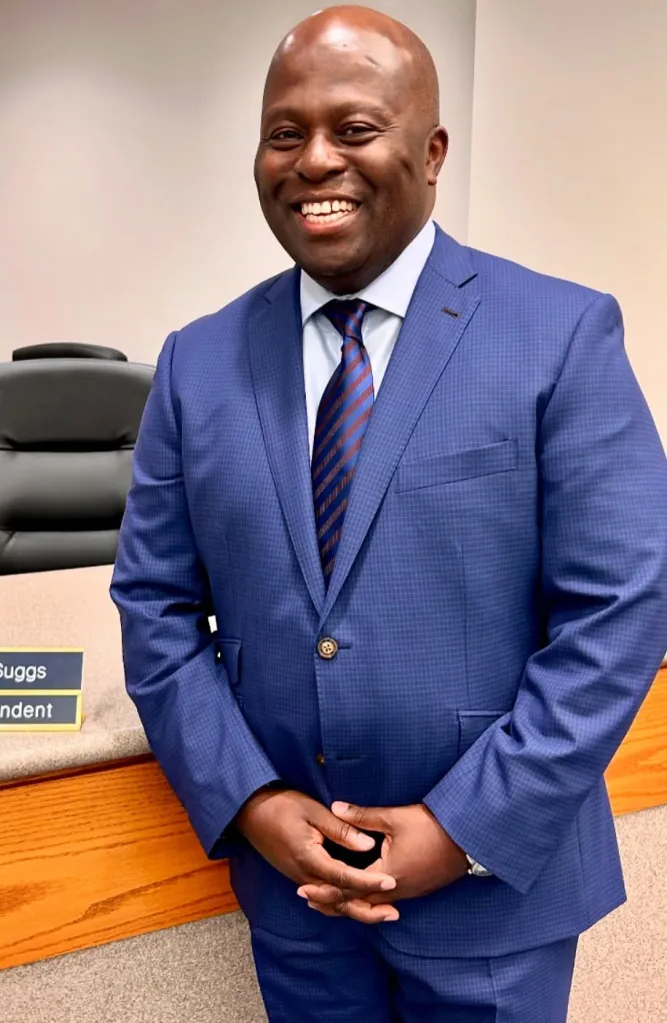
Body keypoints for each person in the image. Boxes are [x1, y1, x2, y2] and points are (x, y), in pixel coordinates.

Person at [110, 6, 667, 1020]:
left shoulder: (561, 333)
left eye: (356, 129)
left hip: (495, 896)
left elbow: (619, 613)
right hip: (296, 898)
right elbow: (152, 605)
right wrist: (251, 801)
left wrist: (461, 828)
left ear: (432, 149)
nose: (315, 159)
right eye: (287, 133)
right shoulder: (198, 360)